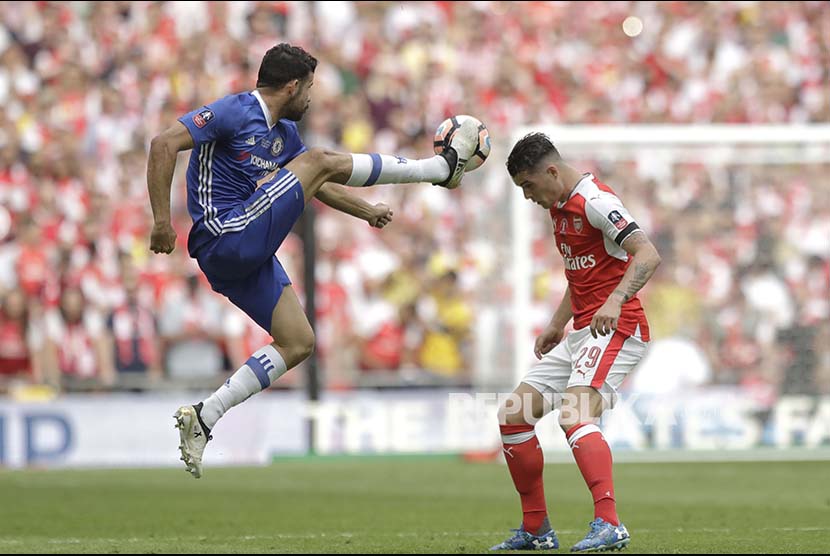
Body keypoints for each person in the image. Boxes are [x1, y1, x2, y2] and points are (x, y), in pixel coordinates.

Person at [147, 43, 480, 479]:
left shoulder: (285, 135)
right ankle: (436, 170)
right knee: (317, 160)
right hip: (224, 234)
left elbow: (314, 182)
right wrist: (160, 221)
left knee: (299, 341)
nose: (311, 97)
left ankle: (204, 417)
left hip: (247, 250)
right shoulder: (233, 111)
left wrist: (366, 211)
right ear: (291, 86)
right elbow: (162, 143)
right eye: (309, 88)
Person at [490, 133, 661, 552]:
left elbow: (648, 254)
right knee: (513, 414)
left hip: (617, 328)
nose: (528, 196)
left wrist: (617, 300)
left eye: (528, 185)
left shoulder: (597, 201)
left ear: (551, 171)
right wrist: (555, 324)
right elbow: (581, 274)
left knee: (574, 413)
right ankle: (536, 530)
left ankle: (609, 523)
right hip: (582, 330)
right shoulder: (559, 207)